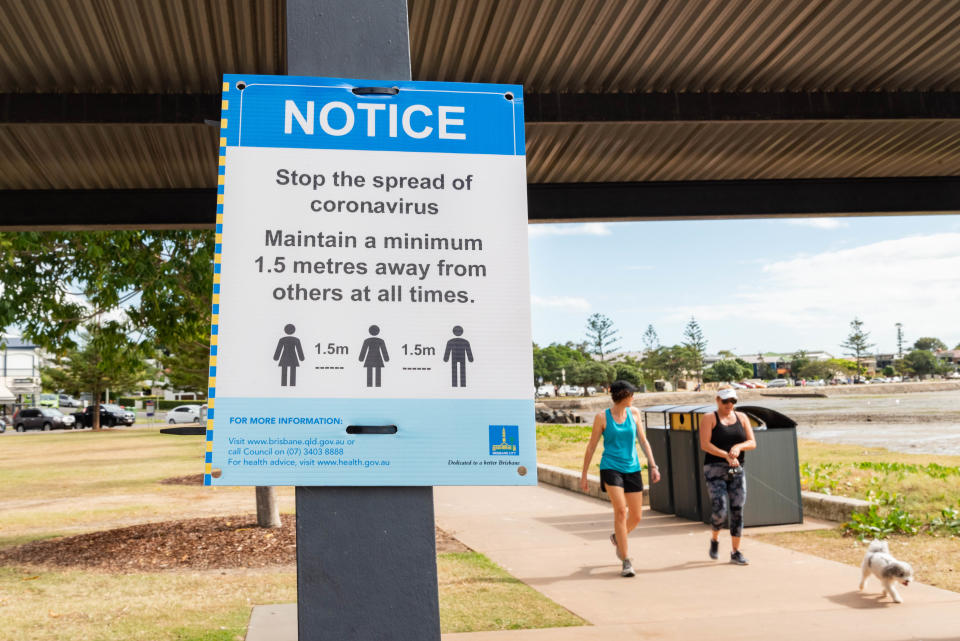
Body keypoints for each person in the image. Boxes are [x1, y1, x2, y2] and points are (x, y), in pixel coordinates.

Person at [580, 380, 661, 577]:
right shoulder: (602, 417)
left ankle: (618, 537)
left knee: (637, 515)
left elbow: (643, 440)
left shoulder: (634, 414)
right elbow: (591, 447)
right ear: (624, 395)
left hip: (632, 468)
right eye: (632, 394)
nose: (634, 397)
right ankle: (626, 560)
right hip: (611, 468)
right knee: (620, 512)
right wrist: (584, 475)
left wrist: (653, 465)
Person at [699, 387, 757, 565]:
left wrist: (739, 447)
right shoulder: (709, 418)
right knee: (720, 510)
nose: (729, 404)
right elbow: (705, 444)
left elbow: (752, 442)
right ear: (717, 400)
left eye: (733, 401)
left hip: (737, 469)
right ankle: (715, 538)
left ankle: (735, 551)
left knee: (737, 508)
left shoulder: (742, 417)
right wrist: (725, 455)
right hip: (714, 468)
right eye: (725, 401)